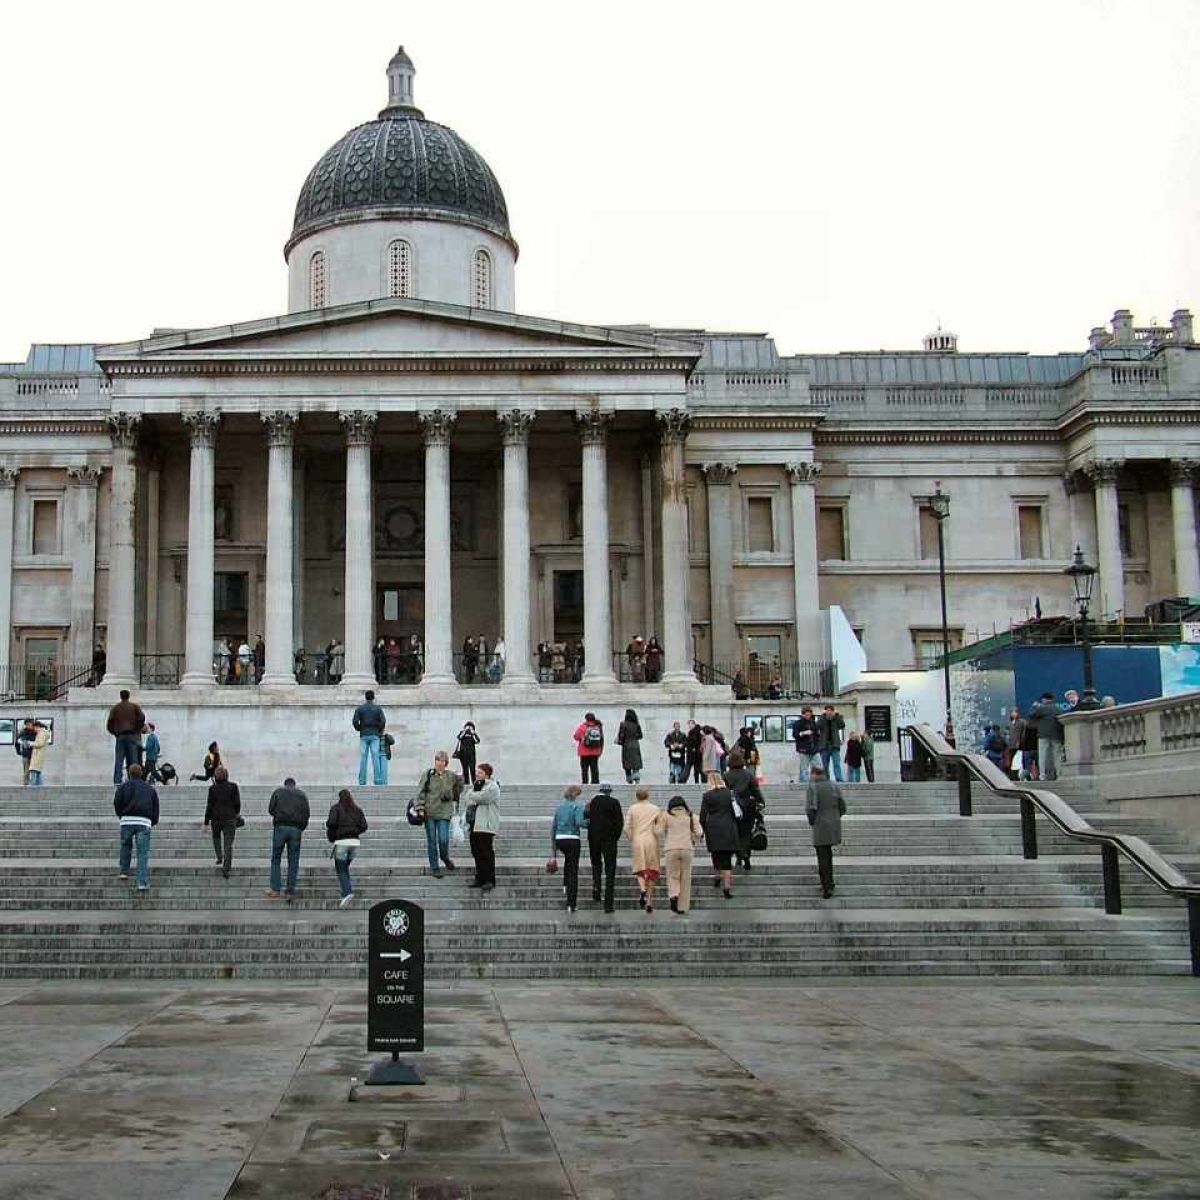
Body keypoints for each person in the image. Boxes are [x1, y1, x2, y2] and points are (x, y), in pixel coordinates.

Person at [114, 763, 160, 893]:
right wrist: (153, 821)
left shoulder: (123, 787)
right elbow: (155, 806)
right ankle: (142, 882)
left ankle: (124, 871)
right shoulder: (149, 789)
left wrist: (121, 815)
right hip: (143, 821)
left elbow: (117, 802)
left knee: (125, 846)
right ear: (142, 774)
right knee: (142, 853)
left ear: (129, 774)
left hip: (127, 820)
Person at [417, 750, 463, 878]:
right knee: (432, 841)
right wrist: (420, 807)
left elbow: (458, 791)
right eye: (438, 760)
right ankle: (435, 867)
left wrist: (460, 779)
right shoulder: (428, 774)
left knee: (443, 839)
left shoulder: (451, 775)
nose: (440, 763)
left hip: (444, 812)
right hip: (429, 812)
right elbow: (420, 791)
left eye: (442, 761)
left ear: (446, 763)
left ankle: (445, 857)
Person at [266, 775, 310, 901]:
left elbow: (270, 809)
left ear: (285, 784)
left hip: (280, 827)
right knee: (293, 861)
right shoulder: (302, 795)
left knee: (276, 859)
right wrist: (301, 827)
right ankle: (290, 891)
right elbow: (307, 813)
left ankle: (275, 889)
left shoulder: (278, 792)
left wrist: (279, 815)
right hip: (296, 829)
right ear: (294, 785)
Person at [806, 763, 846, 899]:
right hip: (833, 825)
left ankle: (826, 886)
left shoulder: (813, 787)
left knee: (822, 856)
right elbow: (843, 806)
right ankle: (830, 882)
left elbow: (810, 808)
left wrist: (813, 821)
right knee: (828, 855)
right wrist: (835, 816)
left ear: (815, 774)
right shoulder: (834, 786)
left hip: (820, 825)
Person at [723, 748, 765, 871]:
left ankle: (739, 856)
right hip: (748, 806)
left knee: (734, 833)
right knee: (746, 833)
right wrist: (761, 801)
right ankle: (746, 855)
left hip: (732, 807)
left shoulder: (726, 776)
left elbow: (723, 792)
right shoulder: (748, 775)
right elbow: (756, 790)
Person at [326, 788, 368, 908]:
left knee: (341, 869)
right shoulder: (357, 809)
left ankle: (347, 892)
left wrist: (337, 832)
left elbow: (331, 823)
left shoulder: (336, 808)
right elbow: (364, 826)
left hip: (342, 842)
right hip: (354, 843)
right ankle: (345, 891)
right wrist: (355, 831)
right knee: (344, 867)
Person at [699, 771, 738, 899]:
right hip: (728, 828)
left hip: (713, 829)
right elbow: (736, 811)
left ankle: (717, 876)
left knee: (715, 855)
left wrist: (703, 830)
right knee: (727, 858)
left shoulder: (707, 796)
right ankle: (727, 887)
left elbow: (703, 816)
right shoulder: (729, 793)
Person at [659, 794, 701, 915]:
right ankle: (682, 906)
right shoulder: (691, 816)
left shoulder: (666, 815)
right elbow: (699, 832)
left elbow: (658, 831)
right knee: (685, 877)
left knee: (672, 875)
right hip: (687, 848)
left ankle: (673, 895)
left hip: (671, 848)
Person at [624, 788, 662, 913]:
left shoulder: (632, 808)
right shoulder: (655, 809)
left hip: (638, 840)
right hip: (651, 840)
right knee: (651, 871)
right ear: (648, 795)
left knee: (640, 869)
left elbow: (627, 827)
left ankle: (642, 889)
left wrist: (632, 838)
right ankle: (649, 901)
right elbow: (659, 828)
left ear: (637, 797)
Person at [586, 782, 623, 912]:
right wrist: (614, 837)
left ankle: (596, 889)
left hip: (594, 839)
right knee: (610, 870)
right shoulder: (614, 802)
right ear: (609, 792)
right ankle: (608, 903)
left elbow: (587, 817)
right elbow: (619, 823)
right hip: (609, 840)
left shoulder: (593, 802)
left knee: (596, 864)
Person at [550, 783, 587, 912]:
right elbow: (580, 822)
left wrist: (553, 851)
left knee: (568, 862)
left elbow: (554, 827)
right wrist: (589, 822)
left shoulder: (559, 808)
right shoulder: (578, 806)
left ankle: (565, 884)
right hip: (572, 839)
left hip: (560, 839)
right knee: (573, 869)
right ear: (576, 795)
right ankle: (571, 903)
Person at [204, 765, 242, 880]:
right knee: (228, 844)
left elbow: (209, 805)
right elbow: (237, 803)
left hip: (216, 819)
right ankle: (226, 868)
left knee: (216, 838)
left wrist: (206, 820)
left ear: (215, 776)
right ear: (227, 775)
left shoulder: (212, 789)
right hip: (229, 819)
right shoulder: (233, 787)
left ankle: (219, 857)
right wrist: (235, 813)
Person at [467, 762, 500, 892]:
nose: (477, 774)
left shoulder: (493, 786)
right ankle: (480, 877)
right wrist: (473, 795)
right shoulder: (476, 786)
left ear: (486, 774)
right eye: (477, 772)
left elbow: (483, 798)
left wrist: (472, 795)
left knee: (486, 852)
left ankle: (489, 879)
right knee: (476, 852)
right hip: (475, 824)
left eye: (479, 772)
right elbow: (467, 799)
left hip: (486, 825)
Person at [106, 688, 146, 786]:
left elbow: (109, 723)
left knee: (119, 759)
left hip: (120, 736)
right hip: (132, 735)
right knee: (133, 759)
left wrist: (115, 732)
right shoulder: (134, 707)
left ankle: (117, 780)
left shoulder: (115, 708)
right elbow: (142, 717)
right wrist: (137, 729)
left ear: (120, 696)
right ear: (128, 696)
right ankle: (134, 779)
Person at [352, 689, 387, 786]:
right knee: (375, 757)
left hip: (364, 735)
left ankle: (362, 781)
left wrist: (360, 729)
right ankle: (378, 780)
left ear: (365, 697)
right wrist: (378, 730)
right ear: (373, 697)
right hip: (374, 735)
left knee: (363, 758)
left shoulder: (360, 709)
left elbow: (355, 721)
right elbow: (383, 721)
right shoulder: (378, 708)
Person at [1028, 691, 1065, 781]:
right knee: (1057, 756)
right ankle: (1059, 775)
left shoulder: (1042, 708)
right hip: (1057, 735)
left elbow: (1031, 715)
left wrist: (1034, 706)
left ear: (1044, 699)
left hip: (1043, 735)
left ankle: (1043, 775)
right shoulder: (1059, 709)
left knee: (1043, 756)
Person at [816, 704, 846, 782]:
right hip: (824, 746)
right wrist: (823, 716)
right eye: (827, 710)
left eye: (830, 710)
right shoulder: (822, 719)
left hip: (834, 745)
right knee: (825, 765)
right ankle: (826, 779)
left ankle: (839, 778)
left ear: (833, 711)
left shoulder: (836, 719)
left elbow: (842, 725)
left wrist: (837, 715)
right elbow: (817, 726)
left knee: (836, 763)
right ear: (825, 711)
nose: (829, 712)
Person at [574, 711, 604, 785]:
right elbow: (601, 739)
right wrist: (600, 751)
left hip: (584, 752)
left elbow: (576, 737)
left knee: (584, 769)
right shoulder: (598, 726)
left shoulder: (582, 727)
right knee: (594, 768)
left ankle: (585, 783)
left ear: (586, 719)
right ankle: (595, 782)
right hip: (595, 752)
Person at [617, 708, 643, 784]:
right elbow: (640, 736)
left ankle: (629, 779)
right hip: (635, 744)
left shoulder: (623, 724)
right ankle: (636, 778)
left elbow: (621, 736)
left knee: (627, 763)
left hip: (626, 745)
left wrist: (619, 742)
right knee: (636, 762)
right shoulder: (636, 724)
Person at [454, 721, 480, 786]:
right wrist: (464, 731)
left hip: (471, 755)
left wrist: (473, 733)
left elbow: (477, 741)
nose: (469, 728)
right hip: (463, 755)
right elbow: (459, 737)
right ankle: (466, 785)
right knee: (465, 770)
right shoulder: (462, 733)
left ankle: (474, 784)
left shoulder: (473, 734)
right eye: (467, 726)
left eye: (470, 727)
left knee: (472, 770)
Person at [1004, 707, 1027, 779]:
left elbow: (1023, 733)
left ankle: (1018, 775)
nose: (1014, 714)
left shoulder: (1022, 722)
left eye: (1015, 712)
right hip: (1010, 745)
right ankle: (1011, 776)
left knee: (1017, 761)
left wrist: (1020, 742)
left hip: (1018, 745)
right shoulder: (1010, 723)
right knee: (1010, 761)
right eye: (1012, 712)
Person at [26, 721, 50, 786]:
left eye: (34, 728)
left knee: (34, 772)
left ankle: (31, 790)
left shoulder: (42, 733)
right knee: (38, 774)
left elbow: (39, 743)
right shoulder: (43, 733)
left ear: (37, 727)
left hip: (37, 756)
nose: (34, 730)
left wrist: (30, 743)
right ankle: (40, 790)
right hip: (38, 756)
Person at [16, 718, 36, 786]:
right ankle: (26, 784)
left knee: (34, 770)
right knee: (26, 770)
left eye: (30, 724)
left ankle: (33, 784)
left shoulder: (35, 732)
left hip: (34, 754)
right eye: (27, 724)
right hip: (25, 754)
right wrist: (18, 751)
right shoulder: (23, 732)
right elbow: (17, 742)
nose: (29, 726)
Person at [686, 718, 704, 784]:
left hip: (694, 755)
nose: (689, 726)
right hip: (697, 755)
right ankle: (699, 781)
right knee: (697, 769)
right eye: (689, 724)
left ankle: (697, 781)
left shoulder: (692, 734)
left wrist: (692, 748)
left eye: (690, 724)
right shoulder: (698, 734)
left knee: (696, 770)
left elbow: (692, 743)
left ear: (694, 724)